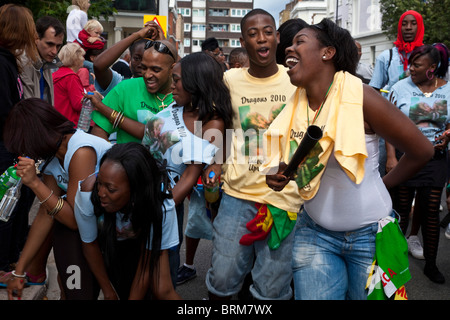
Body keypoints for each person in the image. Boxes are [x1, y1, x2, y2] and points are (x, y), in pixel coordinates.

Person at [262, 18, 434, 300]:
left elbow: (422, 151)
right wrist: (280, 173)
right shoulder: (295, 106)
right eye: (289, 44)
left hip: (370, 238)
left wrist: (382, 184)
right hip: (313, 234)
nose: (288, 49)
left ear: (327, 53)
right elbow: (289, 155)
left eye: (299, 42)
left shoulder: (363, 98)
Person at [205, 9, 301, 300]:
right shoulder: (230, 80)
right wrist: (216, 161)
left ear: (277, 38)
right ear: (243, 41)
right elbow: (221, 122)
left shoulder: (297, 78)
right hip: (238, 195)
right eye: (253, 33)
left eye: (268, 31)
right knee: (221, 279)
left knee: (272, 289)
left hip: (285, 200)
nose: (262, 38)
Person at [140, 52, 233, 286]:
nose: (171, 86)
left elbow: (191, 176)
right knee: (139, 272)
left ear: (196, 83)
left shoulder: (213, 123)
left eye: (177, 80)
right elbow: (145, 152)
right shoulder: (172, 110)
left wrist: (158, 209)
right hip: (141, 194)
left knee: (162, 278)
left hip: (168, 204)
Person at [4, 98, 111, 300]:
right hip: (90, 228)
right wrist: (19, 271)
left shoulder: (80, 151)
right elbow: (46, 212)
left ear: (37, 136)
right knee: (70, 285)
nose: (25, 153)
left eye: (25, 146)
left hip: (115, 229)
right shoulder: (53, 156)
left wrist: (35, 183)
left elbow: (73, 219)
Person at [73, 142, 180, 299]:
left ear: (135, 189)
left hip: (142, 243)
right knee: (84, 290)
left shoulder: (160, 204)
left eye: (110, 189)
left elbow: (145, 266)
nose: (101, 192)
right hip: (106, 243)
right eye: (99, 183)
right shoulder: (88, 194)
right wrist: (108, 292)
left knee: (161, 290)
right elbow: (90, 244)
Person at [386, 43, 450, 284]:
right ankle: (391, 267)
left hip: (435, 160)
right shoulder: (399, 88)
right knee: (401, 213)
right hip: (406, 159)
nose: (410, 68)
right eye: (410, 63)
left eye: (417, 65)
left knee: (431, 212)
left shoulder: (448, 90)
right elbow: (388, 126)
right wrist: (391, 157)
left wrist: (448, 134)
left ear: (432, 68)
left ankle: (431, 265)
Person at [0, 3, 39, 280]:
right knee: (5, 209)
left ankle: (12, 259)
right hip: (5, 149)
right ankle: (3, 267)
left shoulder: (7, 60)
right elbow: (5, 110)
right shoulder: (1, 63)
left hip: (10, 146)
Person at [369, 10, 425, 177]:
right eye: (404, 23)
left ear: (420, 27)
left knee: (421, 175)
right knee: (385, 173)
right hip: (389, 126)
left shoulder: (429, 56)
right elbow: (374, 91)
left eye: (413, 23)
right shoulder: (387, 57)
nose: (408, 27)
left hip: (422, 123)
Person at [89, 39, 177, 144]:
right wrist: (111, 155)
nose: (147, 75)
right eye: (144, 68)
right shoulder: (124, 89)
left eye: (156, 70)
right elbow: (98, 131)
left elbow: (198, 139)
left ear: (172, 68)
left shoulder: (187, 96)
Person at [93, 21, 164, 97]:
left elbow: (177, 70)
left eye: (148, 59)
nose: (141, 64)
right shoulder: (119, 84)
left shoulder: (164, 88)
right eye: (137, 58)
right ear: (130, 59)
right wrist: (136, 35)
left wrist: (164, 44)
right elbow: (98, 65)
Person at [20, 15, 65, 105]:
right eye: (50, 44)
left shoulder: (47, 60)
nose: (54, 51)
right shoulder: (24, 62)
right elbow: (28, 107)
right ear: (36, 38)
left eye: (58, 46)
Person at [52, 42, 87, 127]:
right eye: (82, 56)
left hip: (56, 122)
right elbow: (78, 105)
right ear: (75, 58)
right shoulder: (71, 77)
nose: (84, 59)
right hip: (69, 124)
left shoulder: (55, 75)